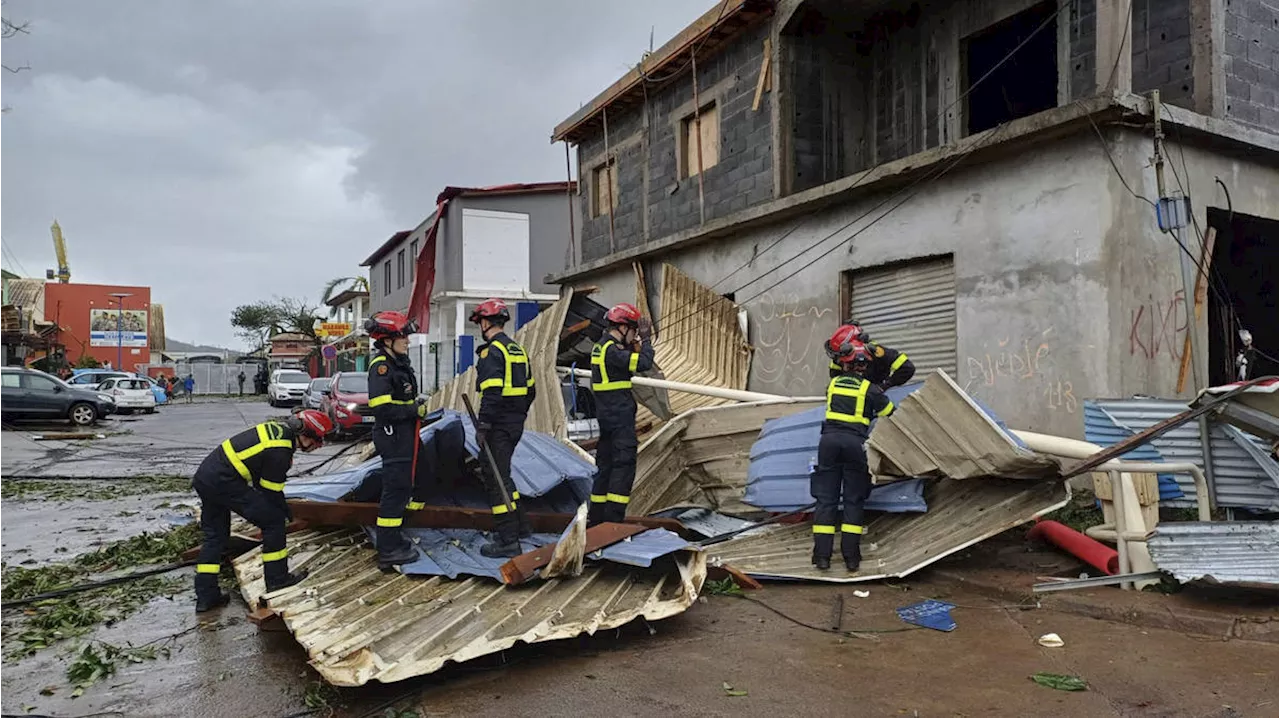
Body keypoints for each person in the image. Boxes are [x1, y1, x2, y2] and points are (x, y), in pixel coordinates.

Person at [192, 409, 334, 612]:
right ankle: (278, 580)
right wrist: (283, 511)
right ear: (306, 434)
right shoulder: (281, 450)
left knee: (215, 537)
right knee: (274, 523)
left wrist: (278, 505)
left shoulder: (276, 432)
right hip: (225, 482)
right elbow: (269, 490)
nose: (317, 446)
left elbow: (261, 481)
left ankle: (206, 597)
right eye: (318, 440)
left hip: (207, 478)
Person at [813, 328, 895, 573]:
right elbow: (889, 412)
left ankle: (822, 558)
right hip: (854, 445)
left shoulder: (833, 385)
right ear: (864, 366)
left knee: (825, 500)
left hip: (827, 443)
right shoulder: (870, 390)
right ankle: (851, 559)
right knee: (853, 500)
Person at [470, 298, 536, 558]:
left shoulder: (491, 352)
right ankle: (521, 526)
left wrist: (484, 425)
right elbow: (531, 390)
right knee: (504, 475)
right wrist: (517, 415)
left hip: (497, 425)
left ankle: (508, 540)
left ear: (485, 322)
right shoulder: (517, 350)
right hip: (514, 423)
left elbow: (492, 392)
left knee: (495, 478)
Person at [363, 310, 424, 569]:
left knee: (403, 488)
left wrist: (414, 406)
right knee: (395, 490)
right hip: (393, 435)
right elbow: (381, 407)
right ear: (387, 340)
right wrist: (414, 410)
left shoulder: (398, 363)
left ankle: (394, 539)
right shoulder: (382, 367)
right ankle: (388, 549)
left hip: (403, 434)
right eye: (403, 337)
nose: (407, 341)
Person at [587, 303, 653, 526]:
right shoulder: (613, 350)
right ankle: (613, 522)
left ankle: (595, 519)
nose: (634, 334)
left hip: (606, 417)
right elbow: (644, 363)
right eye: (634, 330)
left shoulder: (601, 347)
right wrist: (646, 341)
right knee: (623, 466)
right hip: (620, 417)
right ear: (624, 327)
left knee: (605, 466)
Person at [827, 323, 915, 390]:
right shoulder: (839, 357)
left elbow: (907, 368)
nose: (838, 360)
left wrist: (884, 386)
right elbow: (835, 376)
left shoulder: (878, 353)